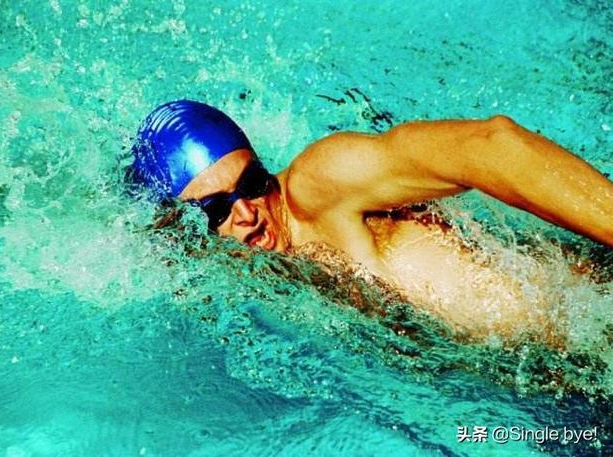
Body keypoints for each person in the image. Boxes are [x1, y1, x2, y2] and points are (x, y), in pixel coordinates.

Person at [127, 99, 613, 343]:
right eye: (216, 209)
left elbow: (490, 146)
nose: (248, 214)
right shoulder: (230, 270)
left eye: (253, 183)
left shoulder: (318, 186)